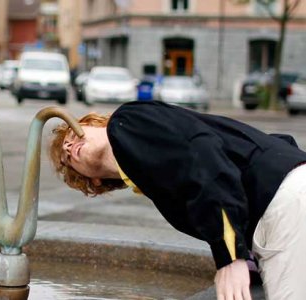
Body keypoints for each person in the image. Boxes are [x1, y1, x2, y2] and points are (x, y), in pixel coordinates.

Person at [48, 101, 306, 299]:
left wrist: (230, 256)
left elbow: (204, 154)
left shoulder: (125, 124)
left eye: (72, 136)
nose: (70, 147)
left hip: (284, 200)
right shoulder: (145, 169)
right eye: (67, 157)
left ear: (96, 124)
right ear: (91, 181)